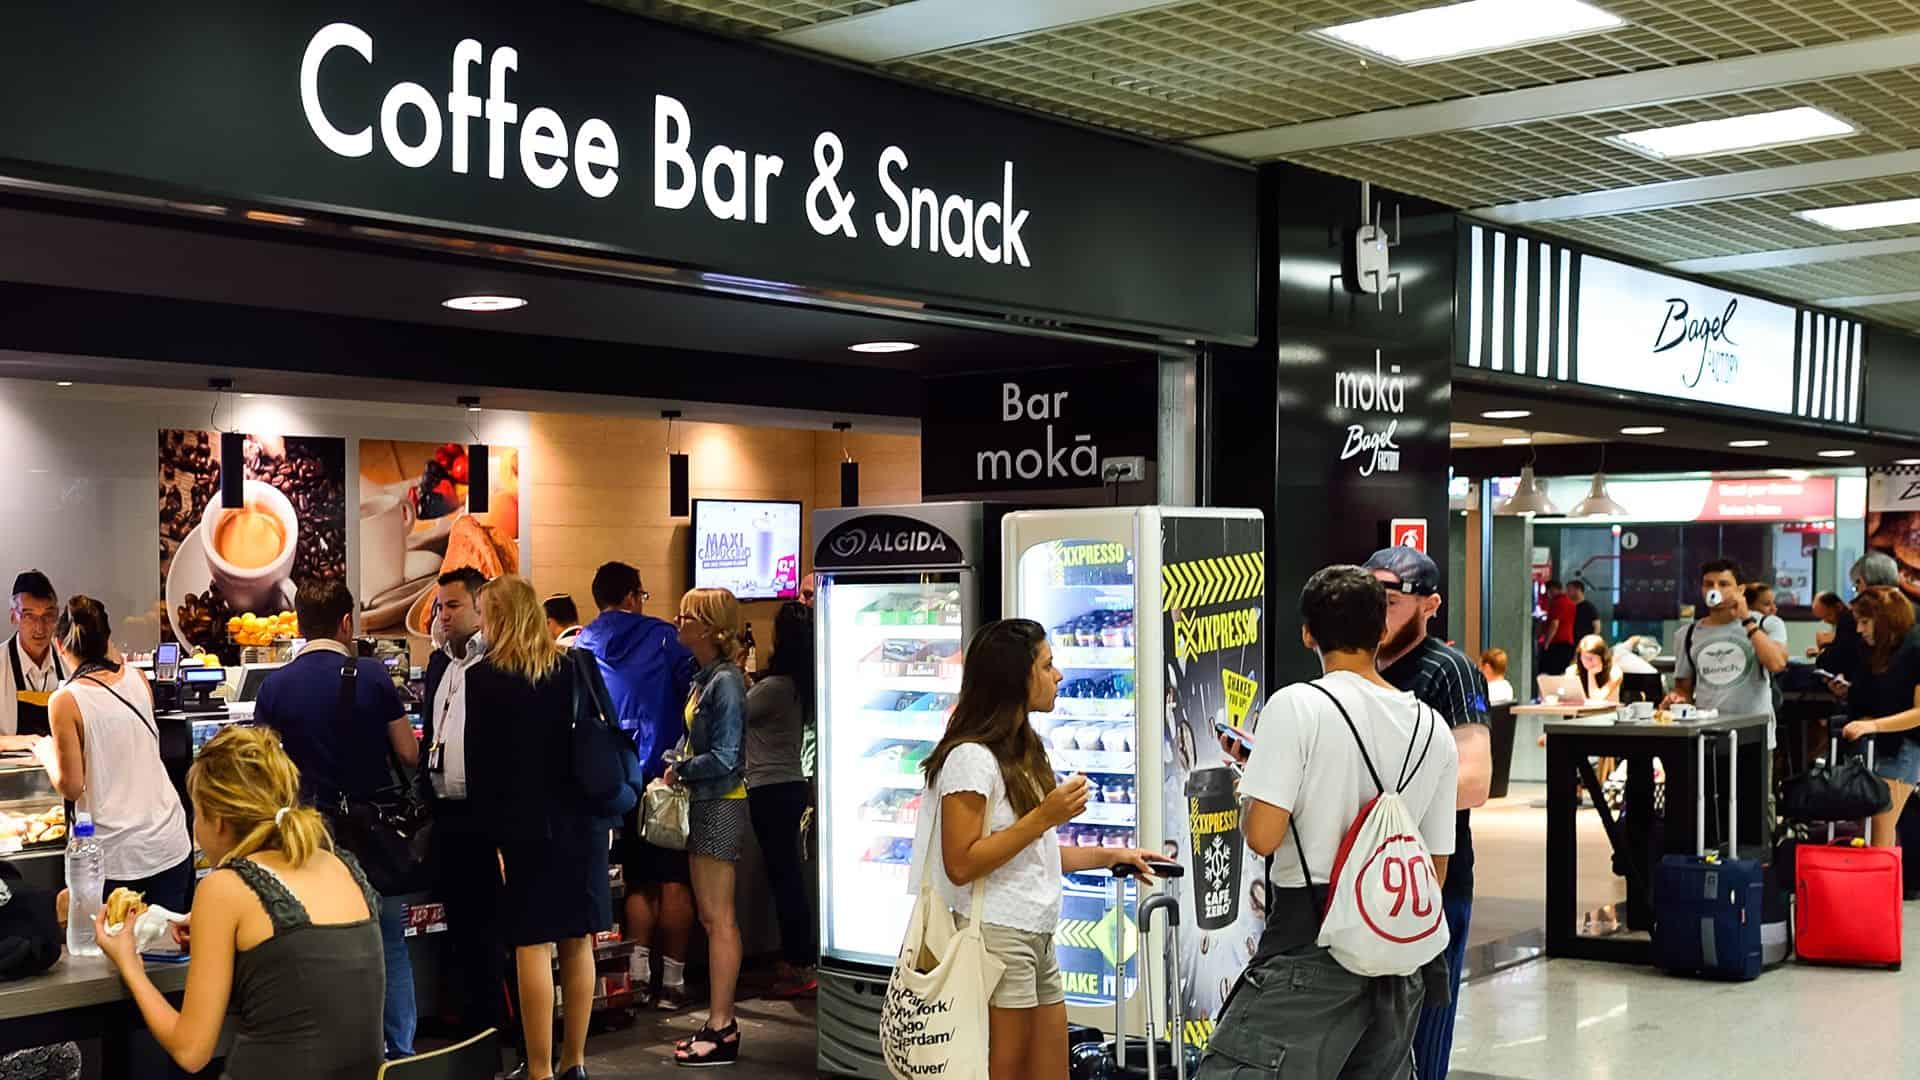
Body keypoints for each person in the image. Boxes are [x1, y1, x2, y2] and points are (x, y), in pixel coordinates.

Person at [1199, 566, 1457, 1080]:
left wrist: (1254, 788)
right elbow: (1436, 869)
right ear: (1382, 630)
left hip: (1308, 945)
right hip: (1398, 963)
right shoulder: (1433, 727)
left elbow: (1263, 835)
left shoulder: (1297, 706)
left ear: (1308, 633)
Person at [911, 619, 1165, 1080]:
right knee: (1004, 1070)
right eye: (1047, 665)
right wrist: (1043, 817)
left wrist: (1110, 857)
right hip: (997, 937)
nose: (1059, 675)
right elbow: (962, 862)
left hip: (1038, 934)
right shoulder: (971, 758)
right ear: (1016, 678)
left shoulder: (1025, 748)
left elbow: (1034, 854)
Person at [94, 726, 384, 1079]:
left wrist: (129, 964)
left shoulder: (224, 888)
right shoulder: (340, 864)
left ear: (218, 821)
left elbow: (190, 1051)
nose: (194, 827)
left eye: (196, 813)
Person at [253, 578, 420, 1059]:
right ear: (347, 623)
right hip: (373, 833)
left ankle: (335, 1053)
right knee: (389, 941)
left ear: (299, 625)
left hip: (308, 839)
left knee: (319, 945)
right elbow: (408, 753)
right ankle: (399, 1053)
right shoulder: (371, 676)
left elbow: (263, 770)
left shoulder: (276, 686)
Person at [467, 575, 610, 1080]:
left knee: (531, 943)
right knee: (577, 940)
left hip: (524, 827)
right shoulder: (575, 665)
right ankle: (576, 1062)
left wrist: (493, 839)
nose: (480, 624)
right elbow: (604, 734)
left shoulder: (485, 677)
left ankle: (540, 1070)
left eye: (484, 614)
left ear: (500, 617)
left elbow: (480, 769)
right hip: (583, 822)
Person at [1361, 546, 1491, 1080]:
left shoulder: (1449, 670)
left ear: (1429, 604)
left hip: (1430, 880)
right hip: (1356, 879)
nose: (1376, 613)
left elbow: (1474, 781)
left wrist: (1382, 797)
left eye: (1389, 601)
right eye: (1368, 599)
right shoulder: (1353, 664)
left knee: (1422, 1033)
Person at [576, 561, 698, 1009]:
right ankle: (674, 981)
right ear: (632, 595)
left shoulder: (583, 642)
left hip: (612, 776)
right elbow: (695, 694)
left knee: (636, 880)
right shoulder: (665, 637)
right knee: (673, 880)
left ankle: (639, 976)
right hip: (664, 777)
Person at [34, 597, 193, 910]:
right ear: (107, 639)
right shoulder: (138, 678)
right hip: (169, 842)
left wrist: (44, 751)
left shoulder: (65, 700)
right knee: (163, 948)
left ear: (58, 645)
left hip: (114, 857)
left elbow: (71, 786)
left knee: (114, 952)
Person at [416, 566, 513, 1054]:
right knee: (457, 930)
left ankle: (496, 1033)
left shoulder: (497, 666)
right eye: (439, 606)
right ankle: (468, 1032)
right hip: (446, 815)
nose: (443, 615)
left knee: (490, 933)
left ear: (481, 607)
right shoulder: (440, 666)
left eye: (453, 605)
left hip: (486, 818)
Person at [664, 588, 751, 1067]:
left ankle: (723, 1023)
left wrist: (682, 770)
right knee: (710, 916)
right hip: (706, 802)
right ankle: (719, 1020)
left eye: (687, 615)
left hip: (720, 802)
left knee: (719, 919)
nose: (677, 620)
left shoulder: (726, 683)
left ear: (708, 625)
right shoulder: (707, 679)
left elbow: (727, 758)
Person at [746, 601, 816, 998]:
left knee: (784, 878)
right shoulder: (796, 686)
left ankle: (797, 962)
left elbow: (734, 712)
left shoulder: (774, 688)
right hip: (789, 784)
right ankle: (797, 958)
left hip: (770, 788)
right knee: (787, 876)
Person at [1664, 560, 1790, 746]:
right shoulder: (1687, 634)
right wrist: (1677, 697)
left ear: (1740, 590)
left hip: (1753, 735)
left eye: (1723, 584)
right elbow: (1684, 688)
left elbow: (1777, 663)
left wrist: (1747, 620)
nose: (1714, 589)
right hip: (1707, 735)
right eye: (1708, 584)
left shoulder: (1767, 624)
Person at [1, 571, 65, 747]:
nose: (40, 627)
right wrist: (26, 741)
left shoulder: (69, 662)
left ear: (57, 615)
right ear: (14, 616)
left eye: (48, 615)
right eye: (29, 616)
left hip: (64, 770)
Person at [1812, 590, 1864, 682]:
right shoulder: (1844, 621)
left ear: (1838, 606)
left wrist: (1822, 653)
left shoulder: (1847, 621)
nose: (1826, 621)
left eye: (1828, 615)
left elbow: (1838, 658)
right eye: (1823, 618)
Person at [1570, 634, 1622, 703]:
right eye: (1585, 658)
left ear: (1602, 657)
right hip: (1580, 712)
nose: (1588, 662)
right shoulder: (1572, 671)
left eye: (1591, 658)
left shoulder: (1615, 672)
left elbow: (1597, 699)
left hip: (1607, 713)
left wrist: (1591, 674)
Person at [1541, 580, 1576, 676]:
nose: (1548, 594)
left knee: (1552, 673)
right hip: (1568, 643)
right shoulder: (1570, 602)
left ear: (1553, 589)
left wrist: (1547, 642)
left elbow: (1554, 624)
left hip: (1558, 643)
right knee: (1561, 673)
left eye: (1549, 591)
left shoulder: (1557, 603)